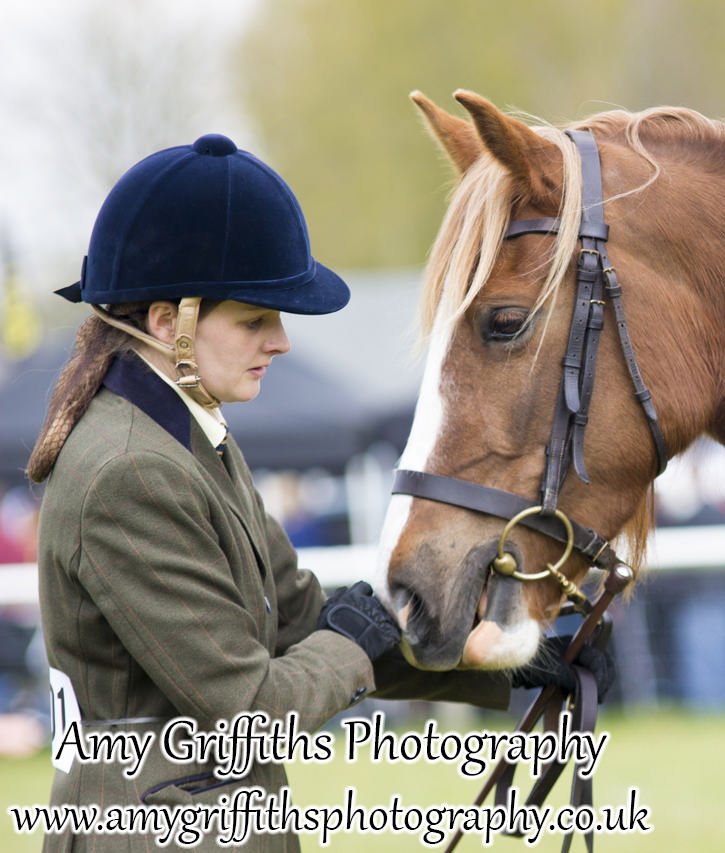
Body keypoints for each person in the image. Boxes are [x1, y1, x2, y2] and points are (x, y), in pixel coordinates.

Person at [28, 134, 607, 851]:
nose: (281, 341)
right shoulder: (130, 471)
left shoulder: (185, 440)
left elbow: (302, 620)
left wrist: (505, 663)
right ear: (165, 321)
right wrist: (357, 646)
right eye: (253, 320)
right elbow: (250, 710)